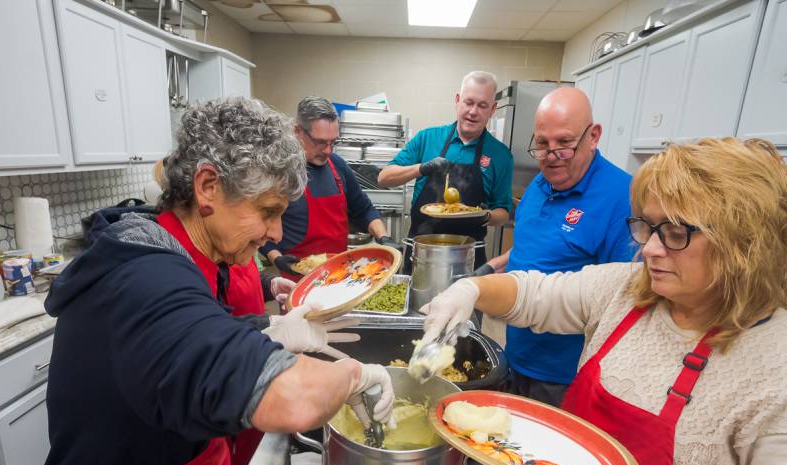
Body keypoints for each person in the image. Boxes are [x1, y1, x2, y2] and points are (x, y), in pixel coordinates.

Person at [36, 98, 395, 465]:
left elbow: (186, 347)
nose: (277, 233)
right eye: (268, 211)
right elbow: (289, 396)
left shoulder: (188, 254)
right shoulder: (142, 275)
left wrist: (269, 329)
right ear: (207, 187)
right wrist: (356, 376)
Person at [418, 137, 787, 465]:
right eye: (648, 226)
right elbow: (532, 293)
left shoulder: (774, 363)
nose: (650, 250)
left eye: (676, 232)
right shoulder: (625, 290)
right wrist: (470, 291)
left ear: (745, 245)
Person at [486, 87, 635, 407]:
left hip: (565, 378)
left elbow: (626, 299)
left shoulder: (622, 197)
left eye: (564, 143)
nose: (551, 156)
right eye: (542, 144)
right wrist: (490, 269)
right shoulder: (541, 183)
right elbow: (537, 250)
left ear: (593, 136)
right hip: (516, 356)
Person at [377, 70, 513, 269]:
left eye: (482, 105)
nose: (473, 111)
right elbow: (384, 178)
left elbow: (503, 212)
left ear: (492, 109)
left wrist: (485, 215)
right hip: (422, 254)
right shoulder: (427, 138)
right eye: (469, 102)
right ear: (457, 100)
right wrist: (421, 168)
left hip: (469, 258)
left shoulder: (501, 155)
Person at [261, 96, 401, 279]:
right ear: (297, 132)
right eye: (320, 142)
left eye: (333, 142)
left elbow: (364, 209)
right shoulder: (279, 171)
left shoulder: (337, 165)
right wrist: (276, 258)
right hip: (296, 277)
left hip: (339, 273)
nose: (328, 150)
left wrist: (384, 238)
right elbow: (260, 226)